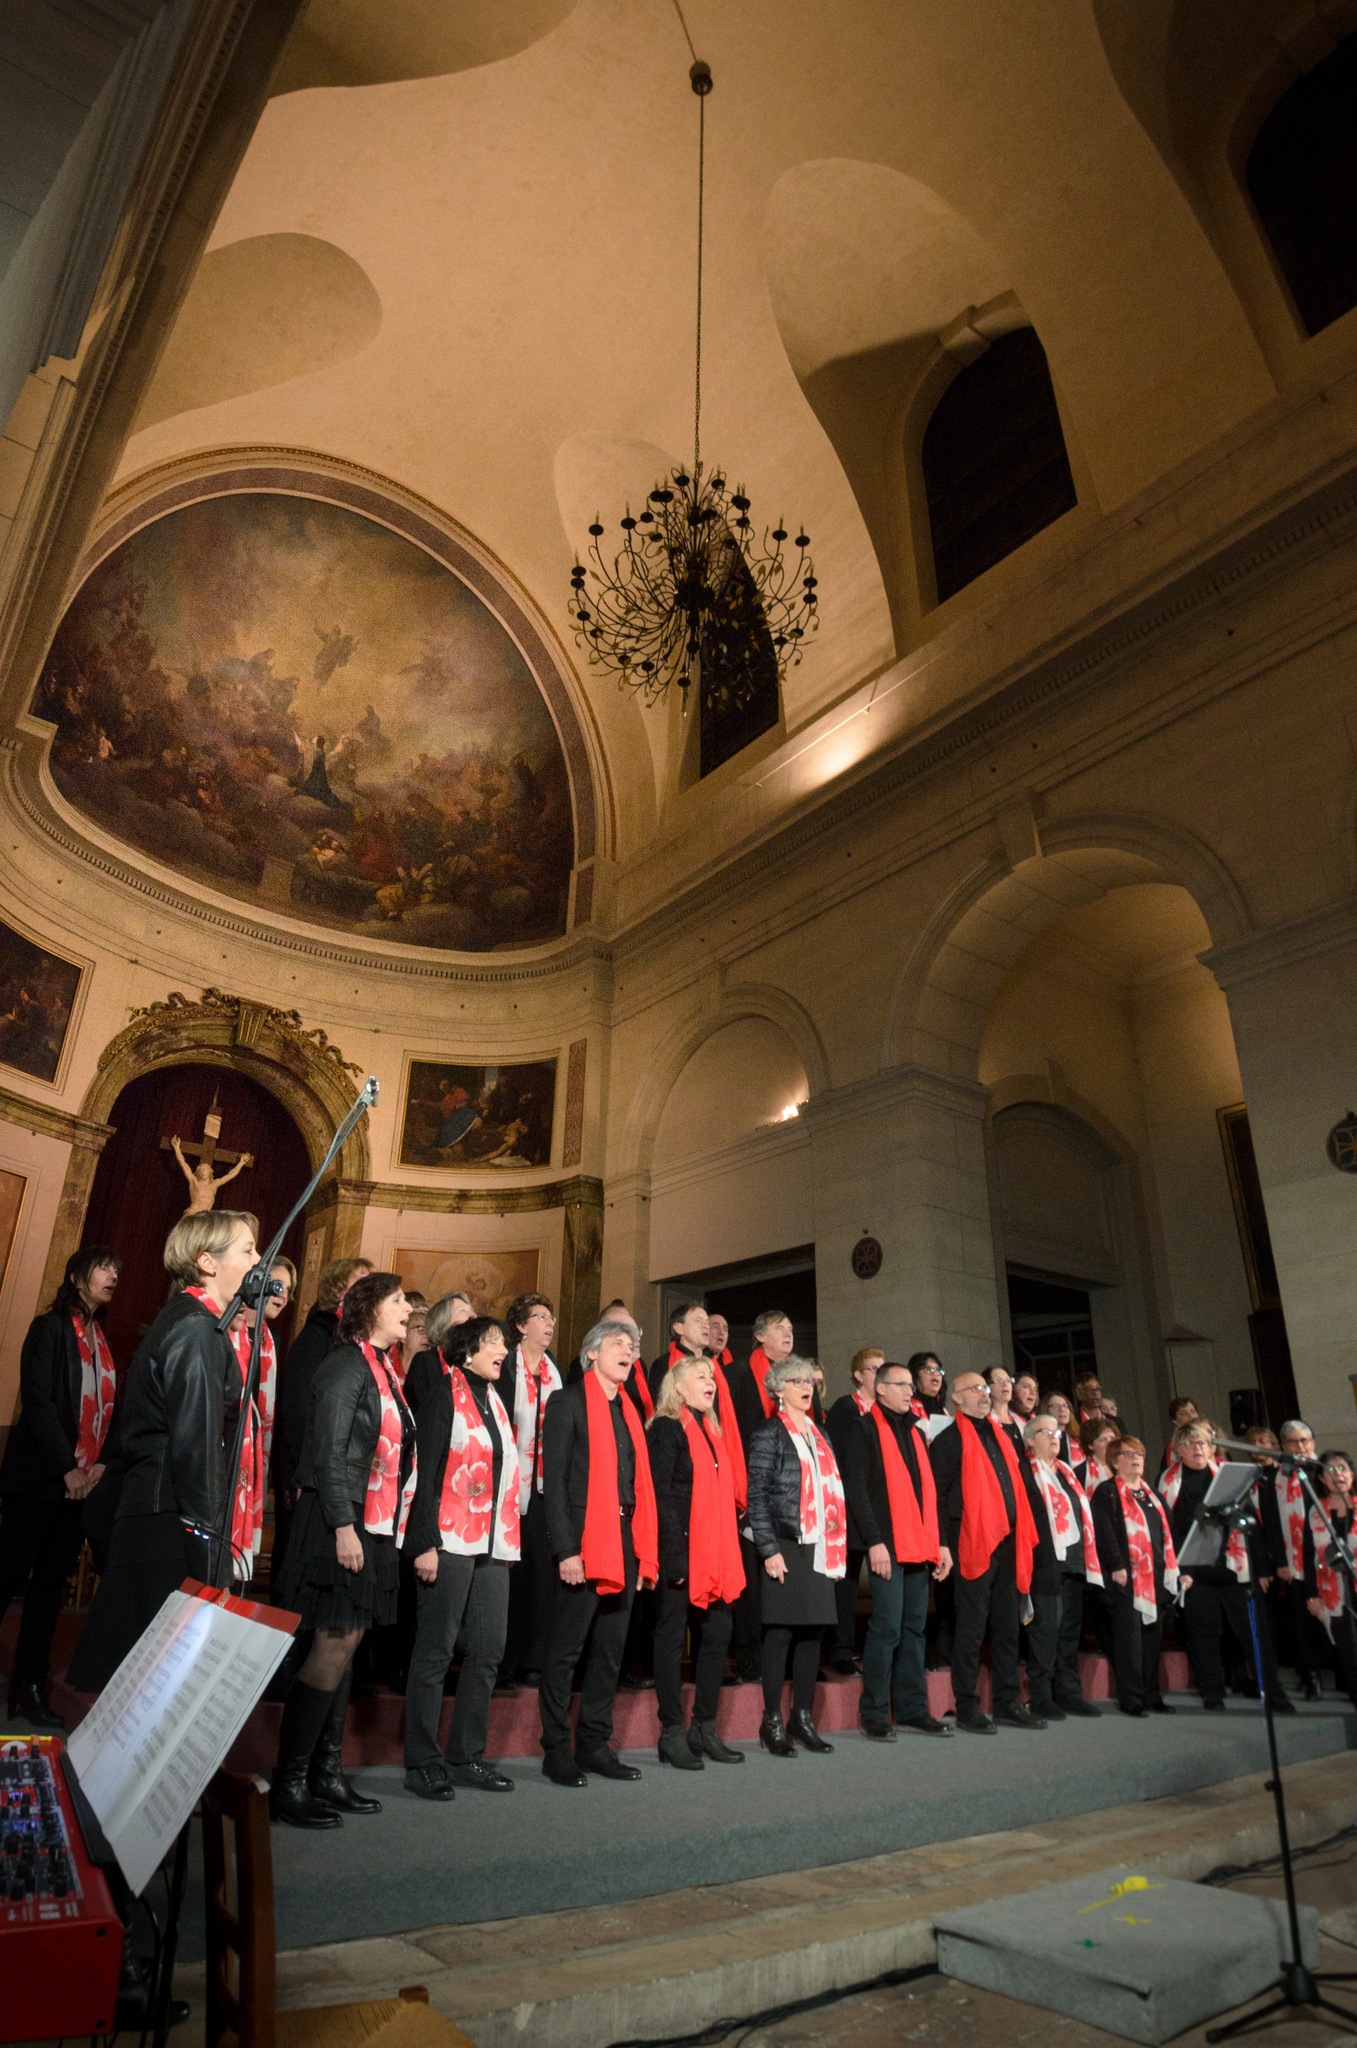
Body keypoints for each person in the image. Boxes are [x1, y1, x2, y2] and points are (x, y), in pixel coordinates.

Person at [68, 1211, 260, 1693]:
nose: (259, 1261)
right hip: (168, 1519)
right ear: (206, 1262)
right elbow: (195, 1447)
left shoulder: (191, 1320)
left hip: (157, 1509)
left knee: (141, 1683)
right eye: (248, 1249)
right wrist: (210, 1545)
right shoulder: (197, 1330)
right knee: (150, 1686)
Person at [270, 1272, 415, 1827]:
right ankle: (290, 1782)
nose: (407, 1309)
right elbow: (329, 1451)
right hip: (339, 1519)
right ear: (369, 1309)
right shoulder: (343, 1364)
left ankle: (325, 1775)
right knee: (331, 1640)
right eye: (398, 1300)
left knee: (347, 1639)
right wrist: (343, 1524)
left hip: (369, 1520)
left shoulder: (384, 1369)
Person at [0, 1247, 121, 1726]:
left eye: (116, 1270)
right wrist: (65, 1467)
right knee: (7, 1575)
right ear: (76, 1276)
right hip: (40, 1481)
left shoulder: (102, 1338)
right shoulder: (49, 1328)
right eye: (104, 1268)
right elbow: (38, 1401)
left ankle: (29, 1684)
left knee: (50, 1589)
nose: (113, 1275)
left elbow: (110, 1409)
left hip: (82, 1486)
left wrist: (101, 1466)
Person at [537, 1316, 659, 1787]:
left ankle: (593, 1743)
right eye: (617, 1343)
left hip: (626, 1540)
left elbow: (638, 1485)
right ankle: (555, 1749)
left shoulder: (629, 1409)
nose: (627, 1351)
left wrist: (644, 1553)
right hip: (585, 1542)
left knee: (610, 1651)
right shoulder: (566, 1401)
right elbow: (557, 1483)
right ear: (591, 1354)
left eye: (631, 1344)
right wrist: (567, 1550)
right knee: (567, 1651)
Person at [402, 1317, 519, 1801]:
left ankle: (466, 1755)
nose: (504, 1351)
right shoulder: (443, 1395)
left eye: (504, 1344)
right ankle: (422, 1762)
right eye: (494, 1343)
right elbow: (424, 1472)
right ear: (466, 1350)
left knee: (489, 1649)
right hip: (448, 1540)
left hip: (494, 1543)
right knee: (435, 1651)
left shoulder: (495, 1400)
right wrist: (424, 1541)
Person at [841, 1361, 953, 1739]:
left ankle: (912, 1709)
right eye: (902, 1384)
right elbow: (856, 1489)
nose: (910, 1391)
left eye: (911, 1384)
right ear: (881, 1388)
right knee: (886, 1628)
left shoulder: (917, 1432)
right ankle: (874, 1712)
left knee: (915, 1629)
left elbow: (930, 1492)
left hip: (920, 1545)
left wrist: (941, 1543)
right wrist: (874, 1541)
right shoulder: (863, 1428)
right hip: (887, 1547)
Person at [929, 1371, 1041, 1734]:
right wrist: (943, 1543)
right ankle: (966, 1706)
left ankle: (1008, 1702)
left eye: (984, 1387)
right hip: (972, 1541)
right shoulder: (948, 1440)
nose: (983, 1393)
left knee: (1008, 1626)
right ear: (957, 1398)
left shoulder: (1001, 1434)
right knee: (972, 1627)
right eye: (974, 1389)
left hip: (1008, 1540)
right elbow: (939, 1496)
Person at [646, 1356, 745, 1768]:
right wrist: (674, 1555)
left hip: (716, 1557)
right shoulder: (668, 1428)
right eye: (700, 1377)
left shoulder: (712, 1431)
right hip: (679, 1554)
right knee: (670, 1641)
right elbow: (662, 1496)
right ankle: (671, 1731)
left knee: (718, 1635)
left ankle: (703, 1727)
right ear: (679, 1388)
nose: (711, 1383)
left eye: (712, 1377)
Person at [746, 1354, 846, 1757]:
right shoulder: (768, 1432)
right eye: (796, 1380)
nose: (807, 1387)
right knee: (782, 1632)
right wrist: (768, 1549)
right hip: (786, 1543)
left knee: (813, 1632)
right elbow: (757, 1496)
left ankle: (801, 1718)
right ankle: (771, 1720)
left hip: (821, 1545)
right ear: (777, 1389)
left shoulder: (821, 1433)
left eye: (810, 1381)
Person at [1158, 1420, 1287, 1712]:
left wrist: (1264, 1567)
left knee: (1253, 1633)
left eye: (1202, 1442)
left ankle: (1274, 1692)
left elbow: (1253, 1521)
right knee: (1205, 1634)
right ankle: (1212, 1693)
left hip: (1234, 1568)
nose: (1197, 1448)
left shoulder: (1228, 1476)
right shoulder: (1168, 1481)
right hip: (1194, 1571)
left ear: (1211, 1446)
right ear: (1178, 1450)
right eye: (1190, 1444)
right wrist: (1181, 1571)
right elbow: (1167, 1530)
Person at [273, 1256, 372, 1574]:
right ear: (338, 1289)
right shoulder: (317, 1337)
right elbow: (300, 1412)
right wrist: (300, 1475)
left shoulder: (350, 1340)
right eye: (360, 1281)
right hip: (308, 1474)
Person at [1092, 1434, 1188, 1716]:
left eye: (1141, 1453)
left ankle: (1151, 1694)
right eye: (1129, 1454)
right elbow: (1104, 1532)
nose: (1136, 1459)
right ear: (1114, 1461)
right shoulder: (1106, 1492)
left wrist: (1177, 1569)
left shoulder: (1153, 1494)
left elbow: (1167, 1533)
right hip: (1126, 1579)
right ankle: (1131, 1697)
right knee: (1129, 1642)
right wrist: (1117, 1565)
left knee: (1151, 1639)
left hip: (1155, 1578)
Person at [728, 1309, 797, 1681]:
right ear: (759, 1335)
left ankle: (781, 1658)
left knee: (785, 1580)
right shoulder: (738, 1374)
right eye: (780, 1328)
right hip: (749, 1489)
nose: (788, 1334)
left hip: (786, 1495)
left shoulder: (798, 1380)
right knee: (752, 1585)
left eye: (791, 1329)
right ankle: (750, 1657)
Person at [1023, 1414, 1102, 1720]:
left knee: (1069, 1631)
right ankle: (1041, 1696)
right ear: (1030, 1440)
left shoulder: (1067, 1471)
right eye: (1046, 1432)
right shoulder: (1027, 1471)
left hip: (1073, 1561)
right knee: (1046, 1630)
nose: (1056, 1436)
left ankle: (1068, 1692)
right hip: (1044, 1562)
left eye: (1058, 1431)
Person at [501, 1291, 563, 1686]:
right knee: (512, 1577)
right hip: (508, 1485)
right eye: (541, 1317)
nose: (550, 1324)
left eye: (551, 1318)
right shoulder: (506, 1365)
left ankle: (536, 1660)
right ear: (521, 1326)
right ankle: (505, 1660)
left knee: (543, 1575)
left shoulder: (554, 1370)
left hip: (544, 1488)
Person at [227, 1255, 292, 1585]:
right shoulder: (227, 1325)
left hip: (254, 1456)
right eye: (277, 1285)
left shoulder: (272, 1339)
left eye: (288, 1291)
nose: (283, 1295)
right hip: (225, 1452)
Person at [823, 1347, 884, 1676]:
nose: (879, 1372)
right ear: (859, 1375)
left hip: (876, 1509)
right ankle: (840, 1650)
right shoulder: (848, 1407)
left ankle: (867, 1647)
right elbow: (836, 1457)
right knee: (845, 1584)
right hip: (847, 1508)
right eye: (873, 1367)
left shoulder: (885, 1412)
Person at [1275, 1418, 1326, 1701]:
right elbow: (1272, 1523)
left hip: (1329, 1559)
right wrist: (1281, 1561)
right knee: (1303, 1621)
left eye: (1305, 1440)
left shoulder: (1325, 1471)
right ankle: (1310, 1677)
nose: (1301, 1447)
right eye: (1294, 1442)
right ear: (1284, 1446)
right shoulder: (1277, 1476)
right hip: (1297, 1561)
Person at [1304, 1451, 1357, 1702]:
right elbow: (1308, 1557)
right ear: (1322, 1479)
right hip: (1333, 1595)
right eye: (1331, 1470)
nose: (1339, 1475)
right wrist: (1312, 1596)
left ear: (1352, 1474)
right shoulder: (1316, 1512)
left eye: (1343, 1468)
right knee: (1349, 1656)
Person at [170, 1134, 253, 1213]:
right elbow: (183, 1163)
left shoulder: (214, 1184)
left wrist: (241, 1163)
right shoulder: (194, 1181)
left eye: (205, 1170)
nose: (203, 1172)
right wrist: (176, 1147)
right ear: (197, 1173)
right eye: (201, 1170)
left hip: (207, 1216)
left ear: (210, 1172)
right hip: (193, 1213)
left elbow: (230, 1175)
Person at [1074, 1416, 1117, 1494]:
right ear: (1090, 1445)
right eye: (1103, 1439)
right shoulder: (1080, 1473)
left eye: (1112, 1438)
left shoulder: (1123, 1466)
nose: (1110, 1443)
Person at [1158, 1396, 1199, 1474]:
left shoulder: (1211, 1437)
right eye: (1184, 1414)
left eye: (1193, 1412)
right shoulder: (1173, 1446)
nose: (1191, 1416)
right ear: (1175, 1421)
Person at [984, 1367, 1022, 1450]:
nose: (1005, 1384)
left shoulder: (1021, 1420)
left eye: (1008, 1380)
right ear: (987, 1388)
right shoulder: (984, 1422)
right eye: (998, 1381)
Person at [1041, 1392, 1076, 1464]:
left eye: (1065, 1406)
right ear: (1046, 1410)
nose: (1062, 1410)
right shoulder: (1043, 1440)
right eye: (1056, 1406)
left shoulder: (1078, 1438)